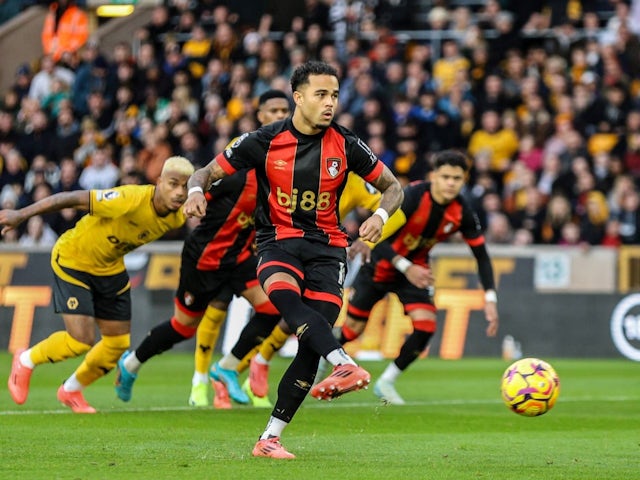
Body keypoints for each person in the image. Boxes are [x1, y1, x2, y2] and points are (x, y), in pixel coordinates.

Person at [183, 61, 403, 459]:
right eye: (321, 94)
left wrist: (380, 216)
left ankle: (269, 438)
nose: (329, 103)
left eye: (334, 95)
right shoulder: (262, 141)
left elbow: (392, 187)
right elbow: (204, 173)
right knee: (284, 299)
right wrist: (194, 192)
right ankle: (342, 361)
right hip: (277, 242)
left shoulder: (347, 144)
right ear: (297, 98)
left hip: (329, 248)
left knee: (307, 342)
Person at [113, 90, 292, 409]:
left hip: (240, 258)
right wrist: (193, 197)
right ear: (259, 116)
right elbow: (202, 182)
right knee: (183, 327)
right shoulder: (238, 164)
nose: (280, 114)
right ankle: (130, 365)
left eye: (284, 109)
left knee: (272, 307)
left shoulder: (285, 165)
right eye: (273, 109)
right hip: (205, 259)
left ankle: (226, 367)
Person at [3, 156, 194, 413]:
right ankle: (25, 360)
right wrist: (21, 214)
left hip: (110, 269)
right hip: (74, 261)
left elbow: (214, 177)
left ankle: (71, 389)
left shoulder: (178, 216)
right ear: (159, 182)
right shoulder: (129, 199)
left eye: (185, 186)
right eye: (173, 184)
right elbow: (70, 198)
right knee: (81, 340)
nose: (180, 192)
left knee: (116, 344)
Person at [324, 150, 499, 405]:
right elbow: (379, 238)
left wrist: (490, 299)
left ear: (464, 181)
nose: (451, 183)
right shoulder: (413, 197)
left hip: (414, 272)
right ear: (434, 176)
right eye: (446, 177)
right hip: (381, 266)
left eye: (457, 178)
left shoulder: (462, 211)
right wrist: (406, 267)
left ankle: (387, 381)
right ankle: (324, 355)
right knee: (352, 331)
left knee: (426, 326)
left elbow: (482, 256)